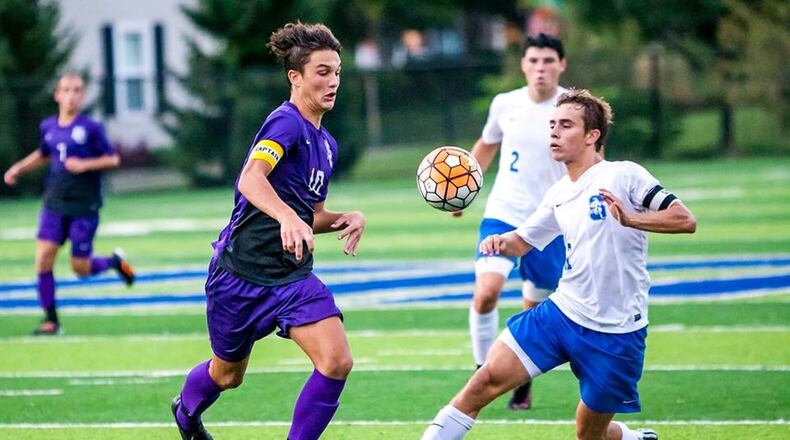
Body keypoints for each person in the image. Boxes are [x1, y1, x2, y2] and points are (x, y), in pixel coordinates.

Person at [422, 88, 696, 440]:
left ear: (592, 136)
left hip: (616, 334)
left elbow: (684, 219)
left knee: (588, 434)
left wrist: (632, 219)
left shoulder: (625, 175)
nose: (553, 132)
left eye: (565, 125)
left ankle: (631, 438)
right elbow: (522, 241)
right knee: (484, 381)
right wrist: (500, 242)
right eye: (552, 124)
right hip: (561, 315)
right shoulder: (559, 193)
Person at [170, 22, 365, 440]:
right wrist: (287, 217)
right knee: (227, 375)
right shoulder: (285, 123)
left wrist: (345, 217)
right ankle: (186, 412)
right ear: (295, 77)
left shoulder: (327, 144)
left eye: (337, 72)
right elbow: (251, 179)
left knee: (336, 361)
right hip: (239, 275)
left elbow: (310, 215)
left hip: (292, 276)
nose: (333, 82)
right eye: (323, 72)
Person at [457, 32, 568, 409]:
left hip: (551, 223)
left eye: (548, 61)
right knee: (486, 292)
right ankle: (482, 370)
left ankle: (519, 379)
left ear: (561, 65)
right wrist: (463, 188)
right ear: (523, 65)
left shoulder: (571, 107)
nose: (541, 68)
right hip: (503, 213)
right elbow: (487, 144)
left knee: (533, 310)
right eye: (534, 61)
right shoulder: (505, 104)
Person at [3, 74, 136, 335]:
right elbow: (44, 153)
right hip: (53, 204)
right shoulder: (49, 126)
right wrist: (18, 168)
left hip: (83, 207)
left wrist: (85, 164)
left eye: (77, 90)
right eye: (66, 90)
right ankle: (51, 320)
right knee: (43, 260)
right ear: (57, 95)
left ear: (82, 96)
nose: (71, 95)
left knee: (80, 268)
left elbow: (112, 160)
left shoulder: (91, 128)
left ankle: (115, 263)